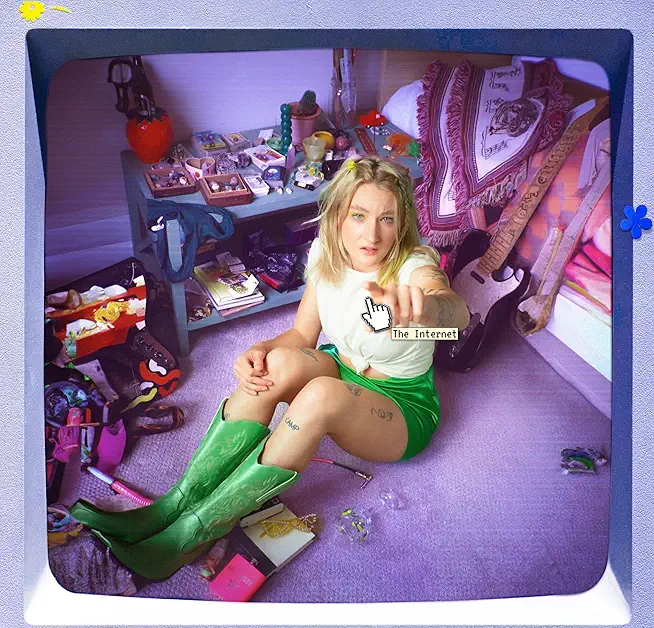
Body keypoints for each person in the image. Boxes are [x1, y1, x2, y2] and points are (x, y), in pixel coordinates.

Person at [71, 156, 470, 580]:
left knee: (320, 395)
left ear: (402, 221)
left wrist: (429, 309)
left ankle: (197, 531)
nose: (371, 234)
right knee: (275, 363)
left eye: (387, 219)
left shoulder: (413, 265)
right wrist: (258, 349)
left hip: (401, 405)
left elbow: (456, 313)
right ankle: (175, 504)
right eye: (359, 215)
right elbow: (302, 334)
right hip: (343, 367)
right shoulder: (327, 253)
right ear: (338, 213)